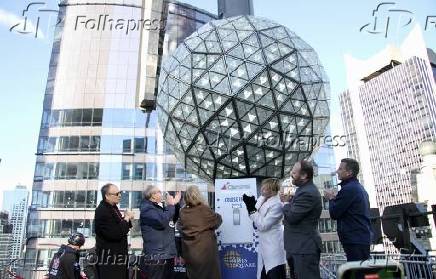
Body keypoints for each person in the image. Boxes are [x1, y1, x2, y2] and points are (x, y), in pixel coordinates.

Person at [324, 158, 372, 261]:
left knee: (357, 272)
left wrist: (331, 199)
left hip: (354, 239)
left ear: (349, 173)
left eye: (341, 169)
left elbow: (334, 213)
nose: (337, 171)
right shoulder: (357, 188)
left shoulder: (349, 189)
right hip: (360, 238)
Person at [283, 160, 322, 279]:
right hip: (298, 248)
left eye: (294, 173)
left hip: (304, 249)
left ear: (304, 176)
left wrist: (285, 203)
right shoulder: (302, 190)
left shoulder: (308, 193)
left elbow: (292, 217)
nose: (291, 174)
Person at [242, 178, 287, 279]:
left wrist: (252, 210)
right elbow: (253, 215)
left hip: (273, 248)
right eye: (262, 187)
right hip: (264, 248)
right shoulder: (262, 199)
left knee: (275, 274)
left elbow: (263, 225)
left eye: (265, 188)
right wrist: (250, 207)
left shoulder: (277, 205)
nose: (262, 190)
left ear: (273, 190)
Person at [179, 185, 222, 279]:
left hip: (190, 253)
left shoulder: (183, 212)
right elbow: (217, 221)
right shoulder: (204, 209)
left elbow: (180, 228)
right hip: (206, 252)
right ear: (198, 195)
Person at [140, 185, 181, 279]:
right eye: (159, 192)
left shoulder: (159, 207)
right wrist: (170, 205)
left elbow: (170, 220)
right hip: (157, 256)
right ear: (152, 195)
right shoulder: (147, 208)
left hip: (167, 254)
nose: (161, 193)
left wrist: (175, 204)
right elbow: (161, 222)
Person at [95, 183, 134, 279]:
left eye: (120, 192)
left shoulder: (113, 208)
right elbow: (115, 234)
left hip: (118, 258)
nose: (120, 195)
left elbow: (121, 228)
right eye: (116, 194)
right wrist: (126, 218)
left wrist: (126, 218)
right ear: (107, 196)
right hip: (110, 259)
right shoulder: (102, 210)